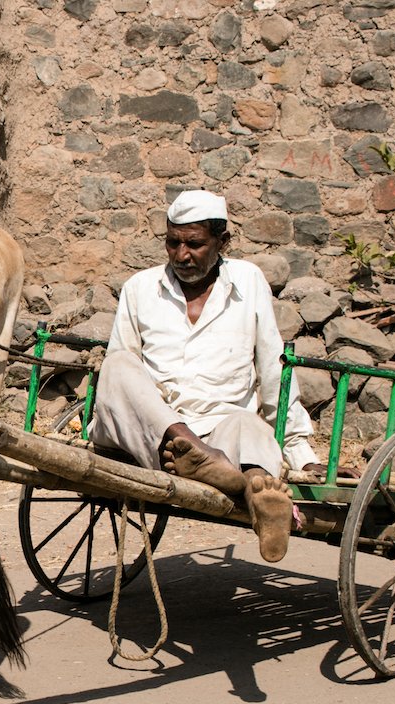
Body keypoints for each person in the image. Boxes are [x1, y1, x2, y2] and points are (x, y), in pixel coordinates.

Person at [88, 189, 320, 563]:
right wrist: (180, 437)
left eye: (194, 244)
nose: (182, 255)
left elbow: (273, 370)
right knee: (117, 366)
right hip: (157, 439)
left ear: (222, 241)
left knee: (249, 423)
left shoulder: (248, 281)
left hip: (222, 437)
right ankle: (200, 454)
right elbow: (121, 390)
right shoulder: (140, 288)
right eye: (173, 243)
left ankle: (261, 493)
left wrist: (299, 452)